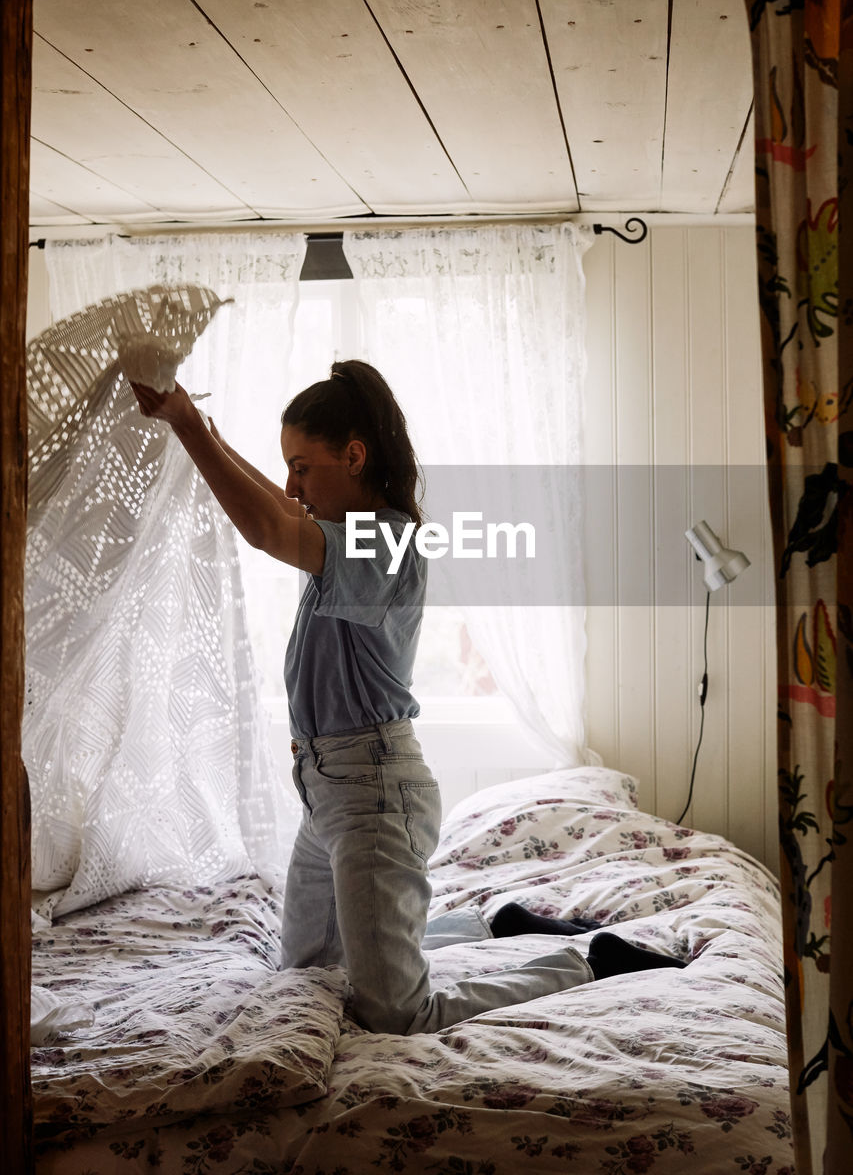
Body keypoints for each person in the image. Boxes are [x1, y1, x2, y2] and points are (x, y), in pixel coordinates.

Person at [130, 358, 686, 1036]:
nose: (290, 484)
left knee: (395, 1012)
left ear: (354, 456)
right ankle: (490, 924)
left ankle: (589, 961)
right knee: (307, 973)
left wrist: (187, 426)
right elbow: (280, 510)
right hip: (328, 792)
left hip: (373, 796)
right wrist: (204, 434)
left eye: (302, 465)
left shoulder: (385, 541)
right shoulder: (347, 536)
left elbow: (268, 528)